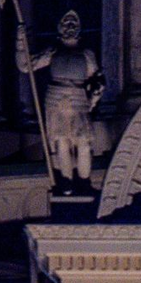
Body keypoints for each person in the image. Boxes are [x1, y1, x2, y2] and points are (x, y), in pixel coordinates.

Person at [17, 11, 104, 188]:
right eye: (66, 23)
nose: (70, 26)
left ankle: (83, 183)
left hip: (79, 100)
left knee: (84, 143)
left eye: (73, 23)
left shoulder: (86, 53)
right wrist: (20, 42)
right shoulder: (53, 51)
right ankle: (67, 183)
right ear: (60, 28)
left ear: (79, 28)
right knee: (62, 143)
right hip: (56, 101)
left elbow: (97, 78)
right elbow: (26, 65)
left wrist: (96, 93)